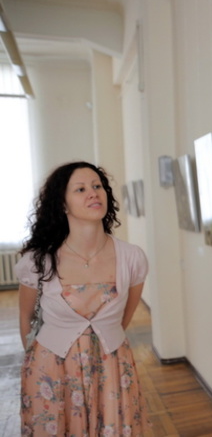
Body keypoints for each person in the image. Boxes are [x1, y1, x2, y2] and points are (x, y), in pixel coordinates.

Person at [16, 161, 150, 436]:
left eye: (97, 186)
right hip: (50, 372)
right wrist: (36, 361)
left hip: (113, 367)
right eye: (80, 189)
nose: (93, 193)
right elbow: (25, 317)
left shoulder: (132, 258)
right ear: (62, 204)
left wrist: (102, 347)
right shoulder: (38, 261)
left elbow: (124, 317)